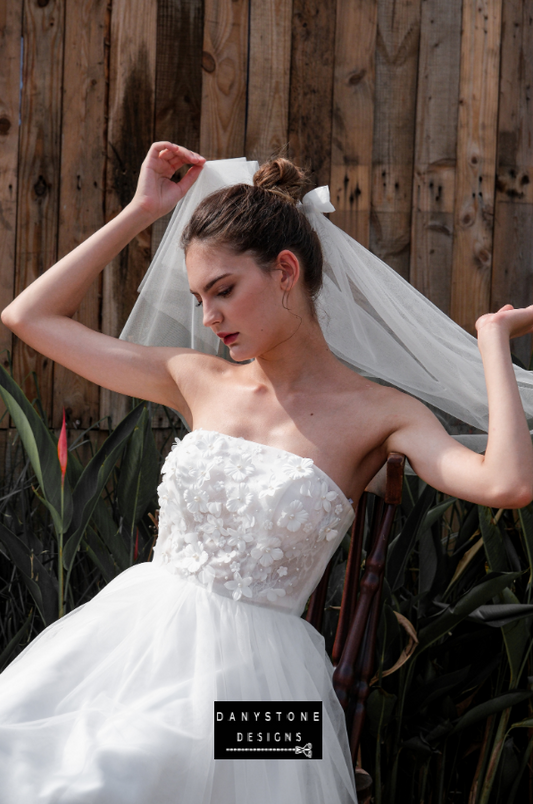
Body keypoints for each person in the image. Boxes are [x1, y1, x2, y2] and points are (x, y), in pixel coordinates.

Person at [0, 141, 532, 804]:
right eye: (199, 297)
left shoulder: (381, 414)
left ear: (285, 270)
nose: (208, 318)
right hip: (136, 646)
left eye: (223, 290)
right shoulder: (195, 378)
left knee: (146, 771)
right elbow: (26, 317)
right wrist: (143, 210)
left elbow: (507, 485)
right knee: (39, 758)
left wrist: (491, 343)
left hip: (274, 692)